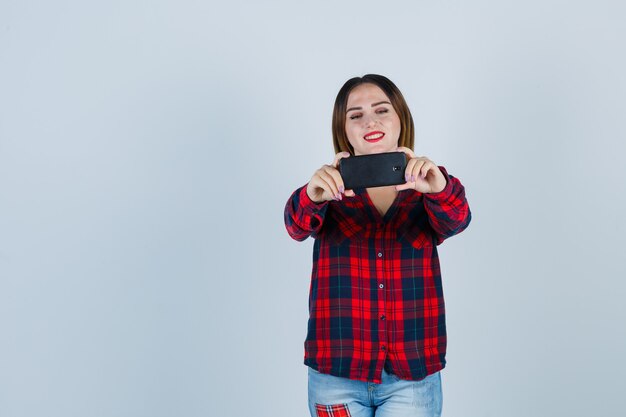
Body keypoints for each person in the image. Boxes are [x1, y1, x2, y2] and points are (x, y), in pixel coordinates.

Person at [284, 74, 471, 417]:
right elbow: (295, 226)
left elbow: (458, 219)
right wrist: (312, 196)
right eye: (355, 115)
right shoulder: (326, 187)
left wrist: (439, 189)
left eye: (381, 110)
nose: (369, 121)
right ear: (344, 130)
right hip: (336, 375)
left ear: (401, 118)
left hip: (412, 378)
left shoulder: (431, 182)